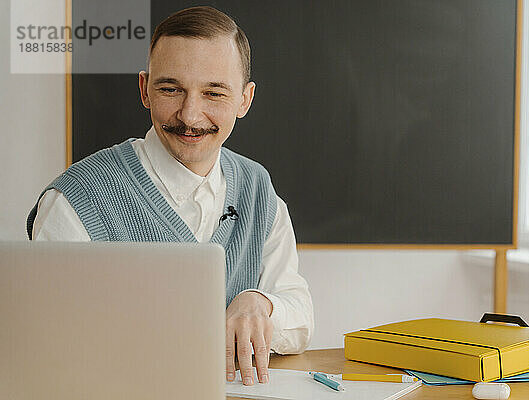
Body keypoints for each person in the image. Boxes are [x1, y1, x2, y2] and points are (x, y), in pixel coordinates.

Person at [26, 6, 314, 387]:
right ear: (144, 89)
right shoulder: (76, 201)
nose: (190, 115)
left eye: (213, 92)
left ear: (245, 100)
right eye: (170, 89)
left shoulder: (260, 191)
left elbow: (299, 318)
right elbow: (44, 346)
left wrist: (258, 303)